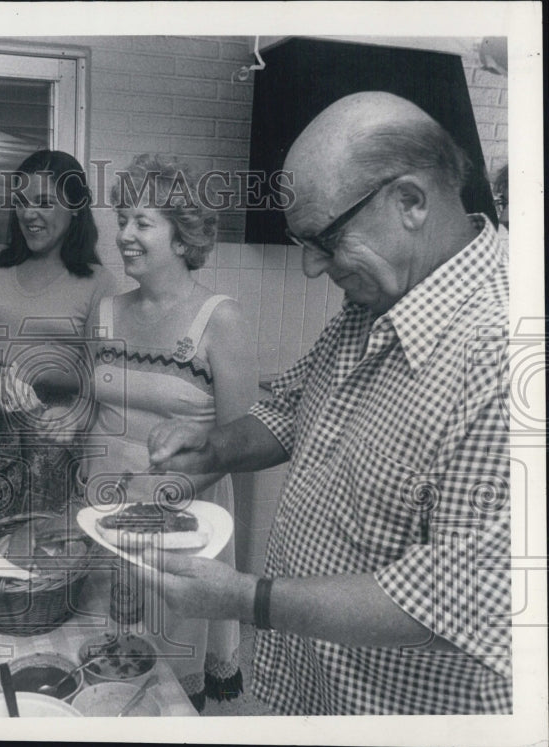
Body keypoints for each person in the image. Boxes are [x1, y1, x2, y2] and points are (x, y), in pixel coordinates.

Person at [145, 92, 511, 714]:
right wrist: (213, 446)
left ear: (411, 203)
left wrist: (246, 598)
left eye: (323, 239)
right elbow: (293, 404)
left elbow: (459, 595)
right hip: (314, 684)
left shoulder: (505, 354)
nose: (312, 267)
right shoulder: (376, 298)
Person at [79, 154, 255, 710]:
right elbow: (92, 407)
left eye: (142, 222)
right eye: (122, 219)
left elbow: (242, 442)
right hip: (101, 506)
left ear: (183, 239)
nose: (124, 234)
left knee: (168, 677)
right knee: (105, 661)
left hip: (182, 514)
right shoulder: (105, 310)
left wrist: (165, 502)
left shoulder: (219, 318)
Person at [0, 149, 115, 572]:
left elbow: (96, 378)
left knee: (32, 558)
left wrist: (34, 371)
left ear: (76, 208)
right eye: (23, 201)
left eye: (45, 202)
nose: (30, 213)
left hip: (48, 435)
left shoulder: (98, 281)